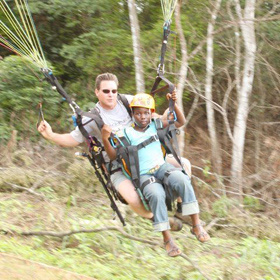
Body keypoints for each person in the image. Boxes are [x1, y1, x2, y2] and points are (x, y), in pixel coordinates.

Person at [37, 73, 189, 224]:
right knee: (133, 198)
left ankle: (182, 210)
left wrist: (170, 107)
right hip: (118, 163)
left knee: (184, 165)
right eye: (106, 91)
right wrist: (50, 135)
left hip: (145, 155)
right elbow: (72, 139)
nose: (111, 95)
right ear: (97, 92)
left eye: (113, 91)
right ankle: (157, 219)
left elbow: (151, 115)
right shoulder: (91, 119)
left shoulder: (128, 101)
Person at [101, 93, 210, 257]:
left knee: (182, 178)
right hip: (144, 175)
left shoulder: (155, 124)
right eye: (138, 113)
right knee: (156, 194)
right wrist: (105, 138)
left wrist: (174, 104)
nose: (142, 117)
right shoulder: (126, 133)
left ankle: (196, 225)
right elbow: (113, 156)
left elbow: (180, 122)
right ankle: (167, 240)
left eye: (146, 113)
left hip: (162, 167)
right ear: (133, 114)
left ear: (151, 113)